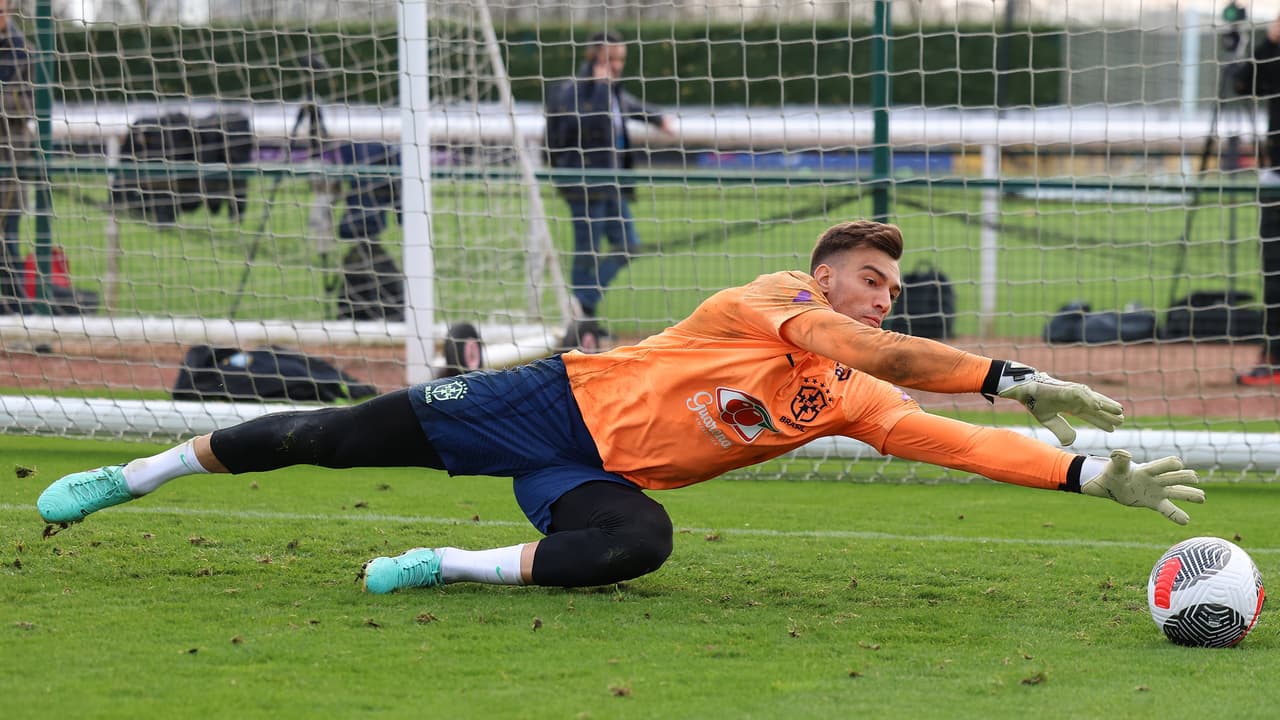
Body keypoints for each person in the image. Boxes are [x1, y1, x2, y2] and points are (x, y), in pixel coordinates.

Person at [36, 220, 1205, 594]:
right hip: (539, 402)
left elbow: (938, 436)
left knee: (634, 545)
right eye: (872, 276)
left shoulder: (843, 396)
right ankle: (126, 479)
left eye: (894, 286)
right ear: (826, 271)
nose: (881, 291)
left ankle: (444, 562)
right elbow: (857, 345)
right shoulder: (772, 301)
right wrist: (1008, 371)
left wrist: (1088, 475)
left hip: (588, 471)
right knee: (321, 435)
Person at [544, 31, 674, 319]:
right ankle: (583, 318)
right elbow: (580, 125)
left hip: (611, 183)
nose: (616, 65)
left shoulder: (611, 89)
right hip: (585, 185)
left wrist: (657, 117)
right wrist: (602, 88)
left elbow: (628, 106)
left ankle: (583, 303)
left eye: (620, 59)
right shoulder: (575, 91)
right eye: (610, 59)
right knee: (586, 251)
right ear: (594, 56)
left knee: (628, 244)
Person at [1239, 13, 1280, 384]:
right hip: (1277, 177)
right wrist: (1270, 40)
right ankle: (1275, 354)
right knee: (1275, 269)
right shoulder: (1275, 55)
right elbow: (1243, 83)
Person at [0, 0, 32, 315]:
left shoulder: (24, 50)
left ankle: (16, 307)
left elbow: (29, 106)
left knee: (8, 236)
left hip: (10, 158)